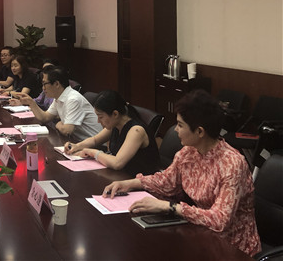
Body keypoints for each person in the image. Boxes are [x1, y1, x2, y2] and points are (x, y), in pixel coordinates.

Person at [103, 90, 260, 256]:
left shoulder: (232, 164)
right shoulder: (188, 152)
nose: (175, 129)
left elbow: (219, 220)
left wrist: (169, 207)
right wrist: (129, 183)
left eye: (180, 125)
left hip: (234, 247)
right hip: (201, 234)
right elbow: (166, 182)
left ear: (200, 132)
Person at [64, 90, 160, 175]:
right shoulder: (115, 124)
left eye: (101, 117)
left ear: (115, 114)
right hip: (121, 176)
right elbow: (95, 140)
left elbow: (117, 163)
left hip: (140, 182)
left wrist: (92, 152)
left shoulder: (136, 131)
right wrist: (76, 146)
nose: (98, 121)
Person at [14, 66, 101, 141]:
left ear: (56, 84)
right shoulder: (59, 97)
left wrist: (58, 124)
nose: (43, 88)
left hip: (94, 144)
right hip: (77, 141)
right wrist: (31, 103)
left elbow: (67, 130)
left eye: (45, 84)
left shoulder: (73, 99)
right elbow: (45, 118)